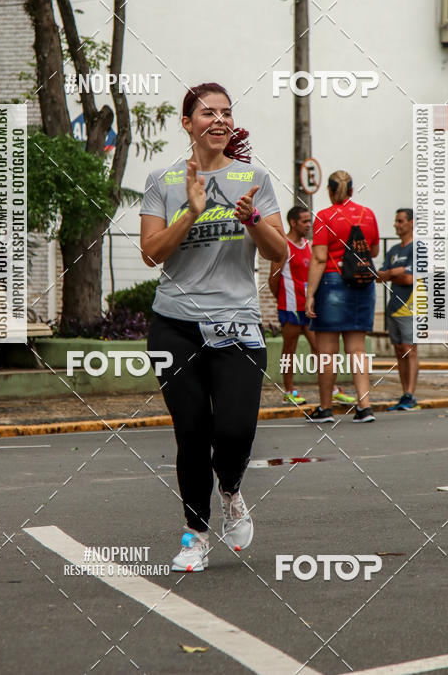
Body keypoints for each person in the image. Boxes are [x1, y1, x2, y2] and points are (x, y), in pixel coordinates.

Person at [140, 82, 286, 572]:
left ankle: (231, 488)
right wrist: (191, 213)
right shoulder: (163, 180)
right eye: (207, 113)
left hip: (238, 324)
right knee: (191, 433)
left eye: (226, 113)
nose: (218, 121)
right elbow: (151, 253)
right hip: (175, 327)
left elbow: (279, 253)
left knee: (236, 429)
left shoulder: (254, 177)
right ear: (188, 123)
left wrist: (255, 221)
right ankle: (195, 537)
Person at [304, 170, 380, 424]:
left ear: (329, 190)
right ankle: (364, 406)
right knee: (357, 349)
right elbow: (375, 249)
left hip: (332, 282)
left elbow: (319, 258)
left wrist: (310, 295)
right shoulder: (367, 215)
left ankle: (325, 408)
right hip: (362, 283)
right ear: (351, 190)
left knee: (327, 351)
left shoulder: (324, 217)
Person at [268, 207, 355, 407]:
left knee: (319, 348)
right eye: (305, 221)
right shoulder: (284, 247)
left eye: (310, 221)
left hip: (309, 306)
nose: (309, 225)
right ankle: (289, 391)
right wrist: (283, 300)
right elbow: (273, 279)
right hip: (290, 306)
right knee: (289, 349)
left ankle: (332, 390)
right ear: (293, 222)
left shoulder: (308, 245)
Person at [376, 208, 419, 410]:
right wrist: (396, 272)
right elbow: (379, 275)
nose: (396, 224)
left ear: (411, 223)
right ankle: (404, 394)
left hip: (410, 307)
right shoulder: (393, 250)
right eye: (396, 220)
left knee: (410, 350)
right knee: (399, 351)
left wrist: (390, 274)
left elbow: (410, 279)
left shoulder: (417, 249)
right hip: (393, 306)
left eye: (400, 220)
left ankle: (410, 394)